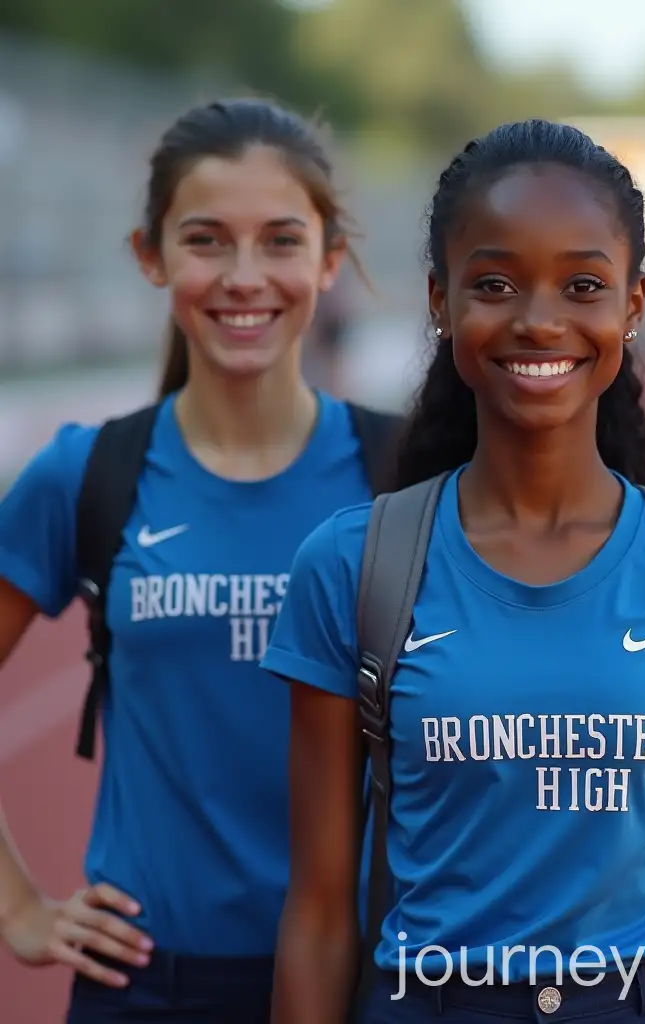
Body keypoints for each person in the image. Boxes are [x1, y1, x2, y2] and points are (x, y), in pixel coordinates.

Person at [260, 118, 645, 1024]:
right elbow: (321, 915)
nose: (539, 319)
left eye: (584, 284)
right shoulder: (350, 565)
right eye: (495, 283)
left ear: (634, 304)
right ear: (441, 301)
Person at [0, 97, 397, 1022]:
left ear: (329, 261)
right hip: (148, 987)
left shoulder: (404, 475)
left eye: (281, 240)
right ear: (152, 256)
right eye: (208, 240)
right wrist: (20, 909)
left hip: (365, 982)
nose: (244, 276)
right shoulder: (86, 474)